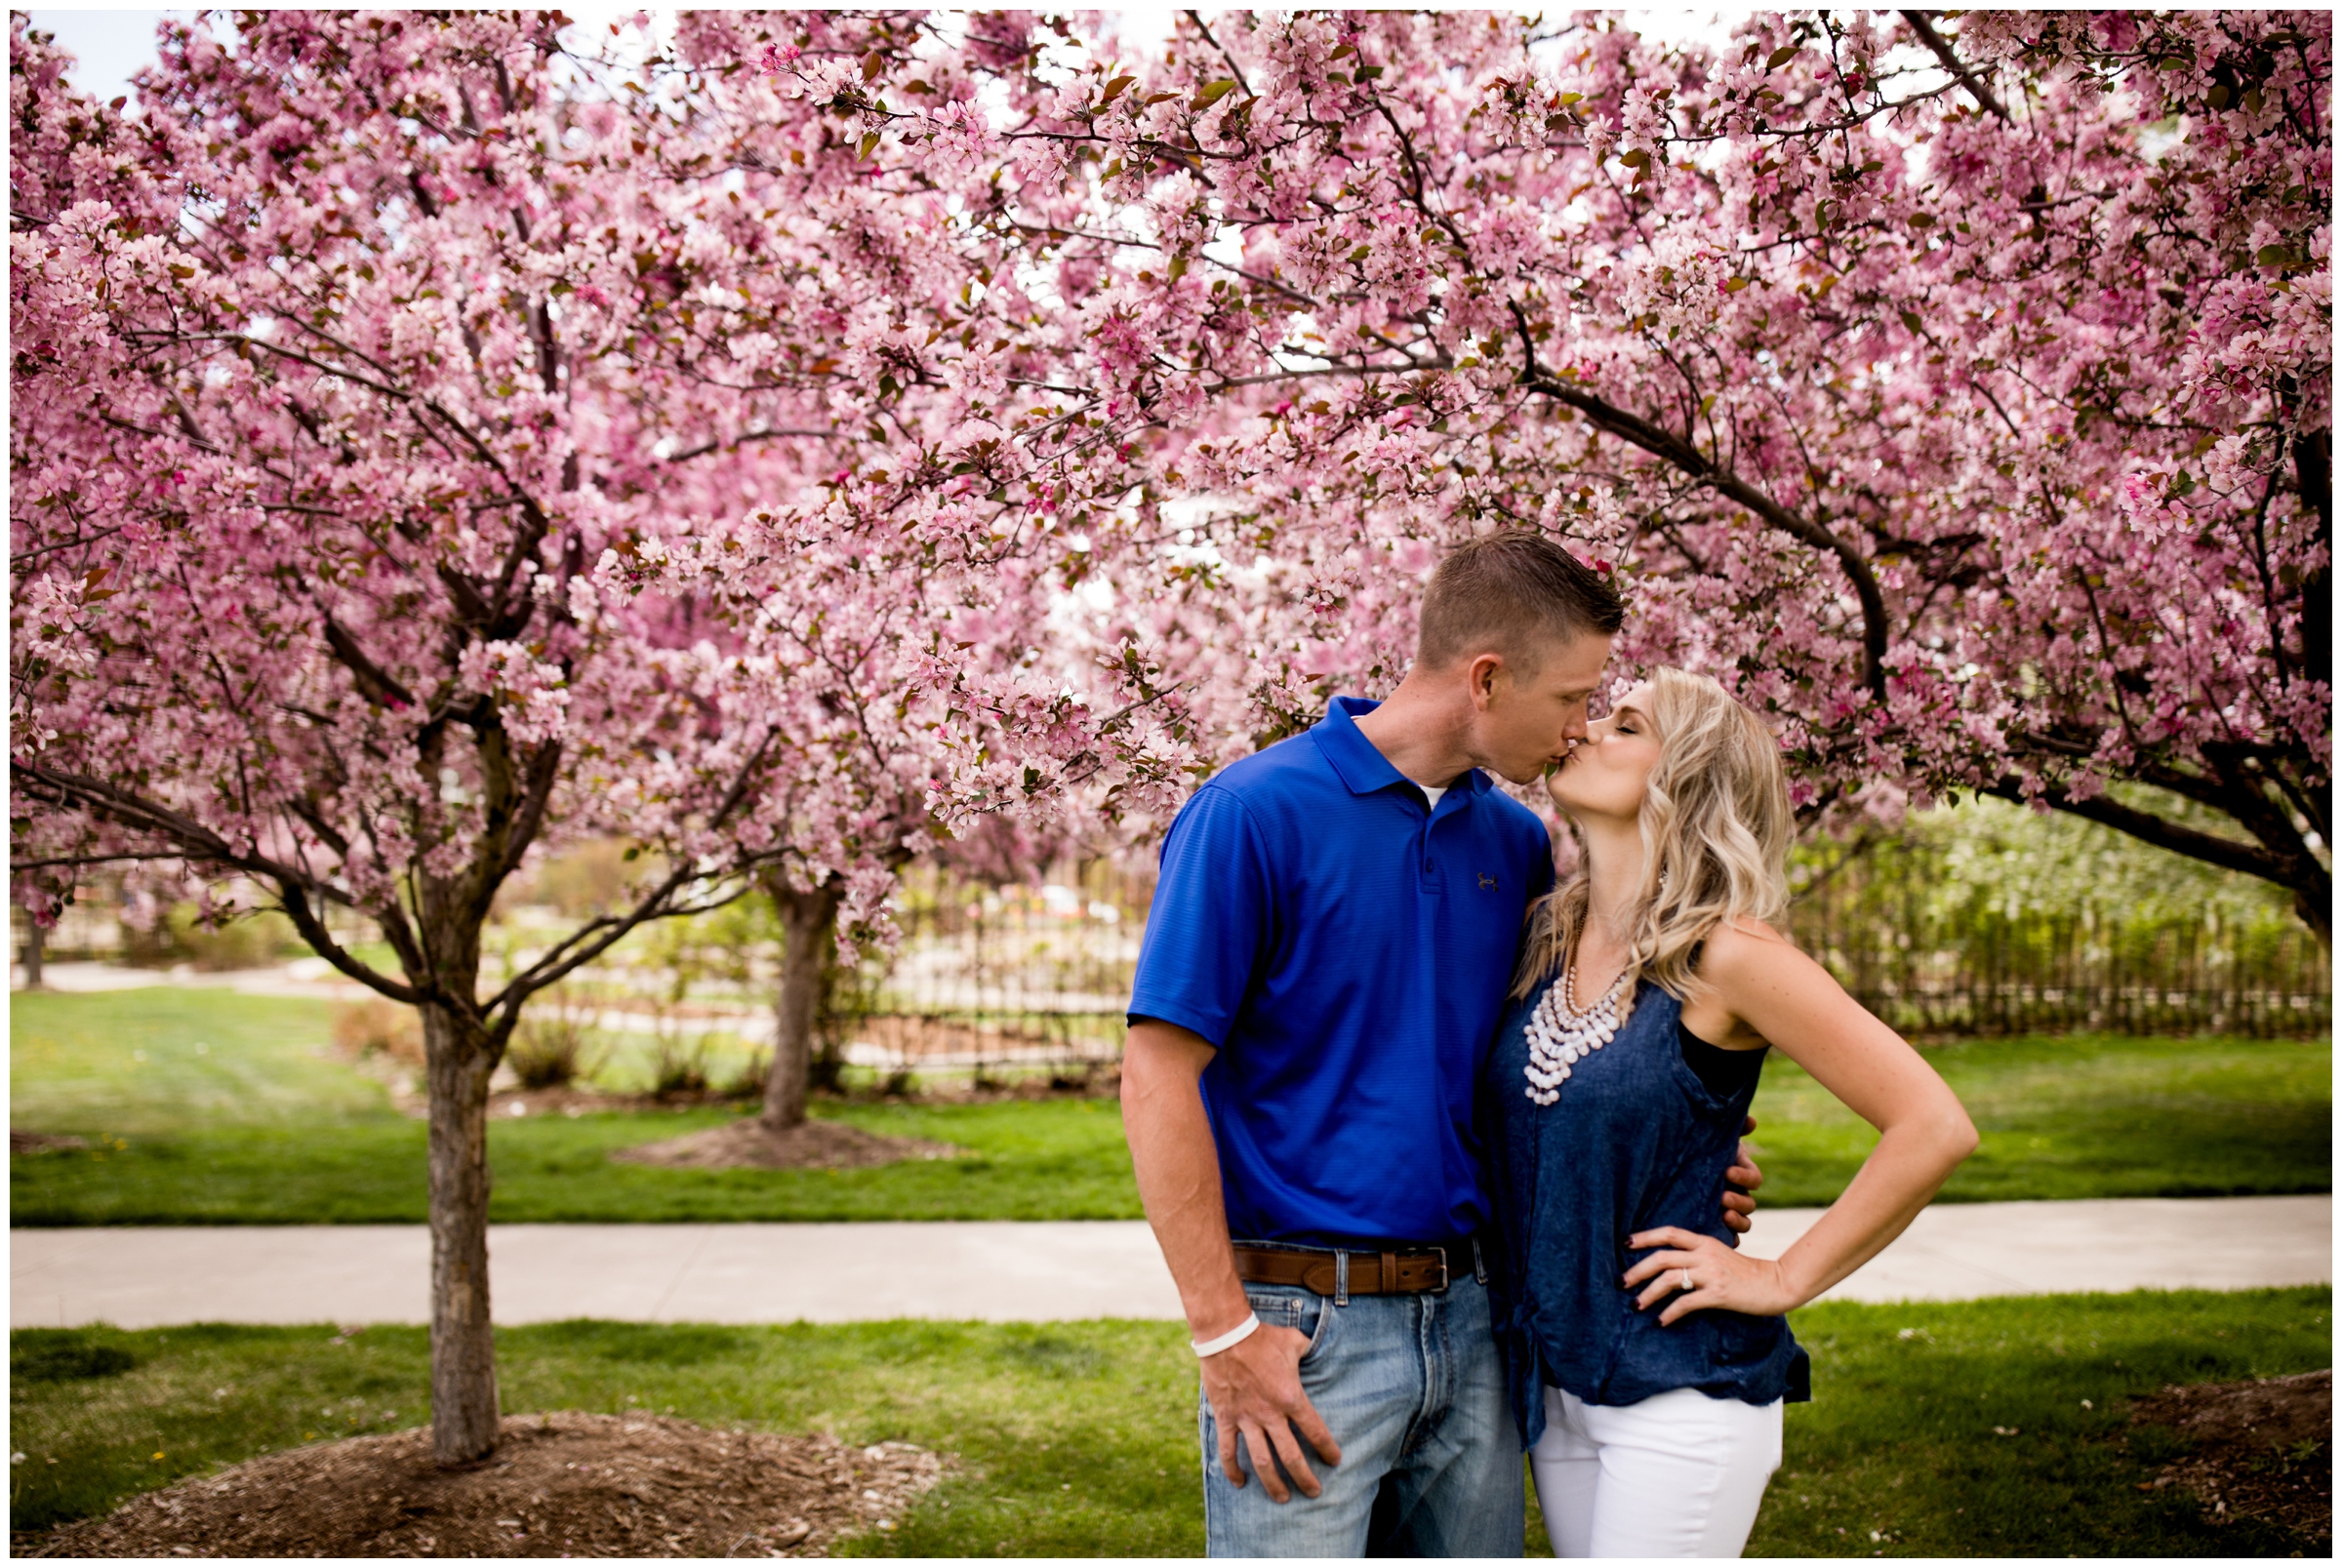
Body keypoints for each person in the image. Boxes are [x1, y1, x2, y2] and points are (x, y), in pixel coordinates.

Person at [1119, 535, 1761, 1556]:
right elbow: (1157, 1075)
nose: (1579, 727)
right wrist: (1223, 1331)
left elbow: (1570, 1052)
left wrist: (1682, 1153)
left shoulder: (1514, 843)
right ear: (1488, 677)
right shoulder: (1251, 813)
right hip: (1305, 1326)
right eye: (1570, 697)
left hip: (1479, 1319)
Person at [1488, 666, 1979, 1558]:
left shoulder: (1730, 951)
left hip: (1683, 1393)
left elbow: (1933, 1124)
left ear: (1689, 779)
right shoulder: (1541, 939)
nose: (1587, 729)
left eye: (1627, 726)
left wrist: (1780, 1277)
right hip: (1558, 1390)